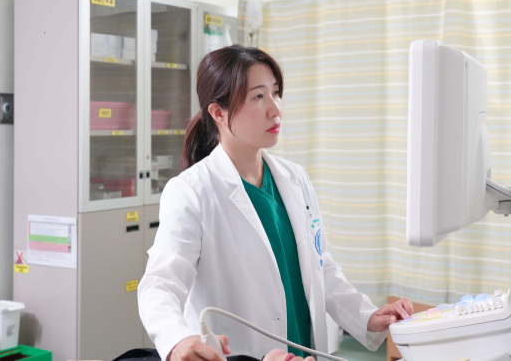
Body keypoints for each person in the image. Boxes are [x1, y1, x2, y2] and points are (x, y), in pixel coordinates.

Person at [138, 46, 413, 361]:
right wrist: (176, 339)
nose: (275, 109)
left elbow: (321, 268)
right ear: (218, 113)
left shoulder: (295, 178)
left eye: (276, 93)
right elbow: (160, 283)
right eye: (258, 96)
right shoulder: (191, 191)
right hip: (243, 355)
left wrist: (367, 316)